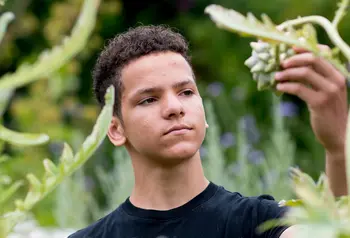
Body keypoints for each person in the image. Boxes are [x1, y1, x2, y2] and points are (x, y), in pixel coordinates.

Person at [68, 25, 348, 238]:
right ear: (115, 130)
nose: (174, 107)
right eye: (149, 99)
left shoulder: (262, 224)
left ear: (204, 115)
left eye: (186, 92)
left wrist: (338, 148)